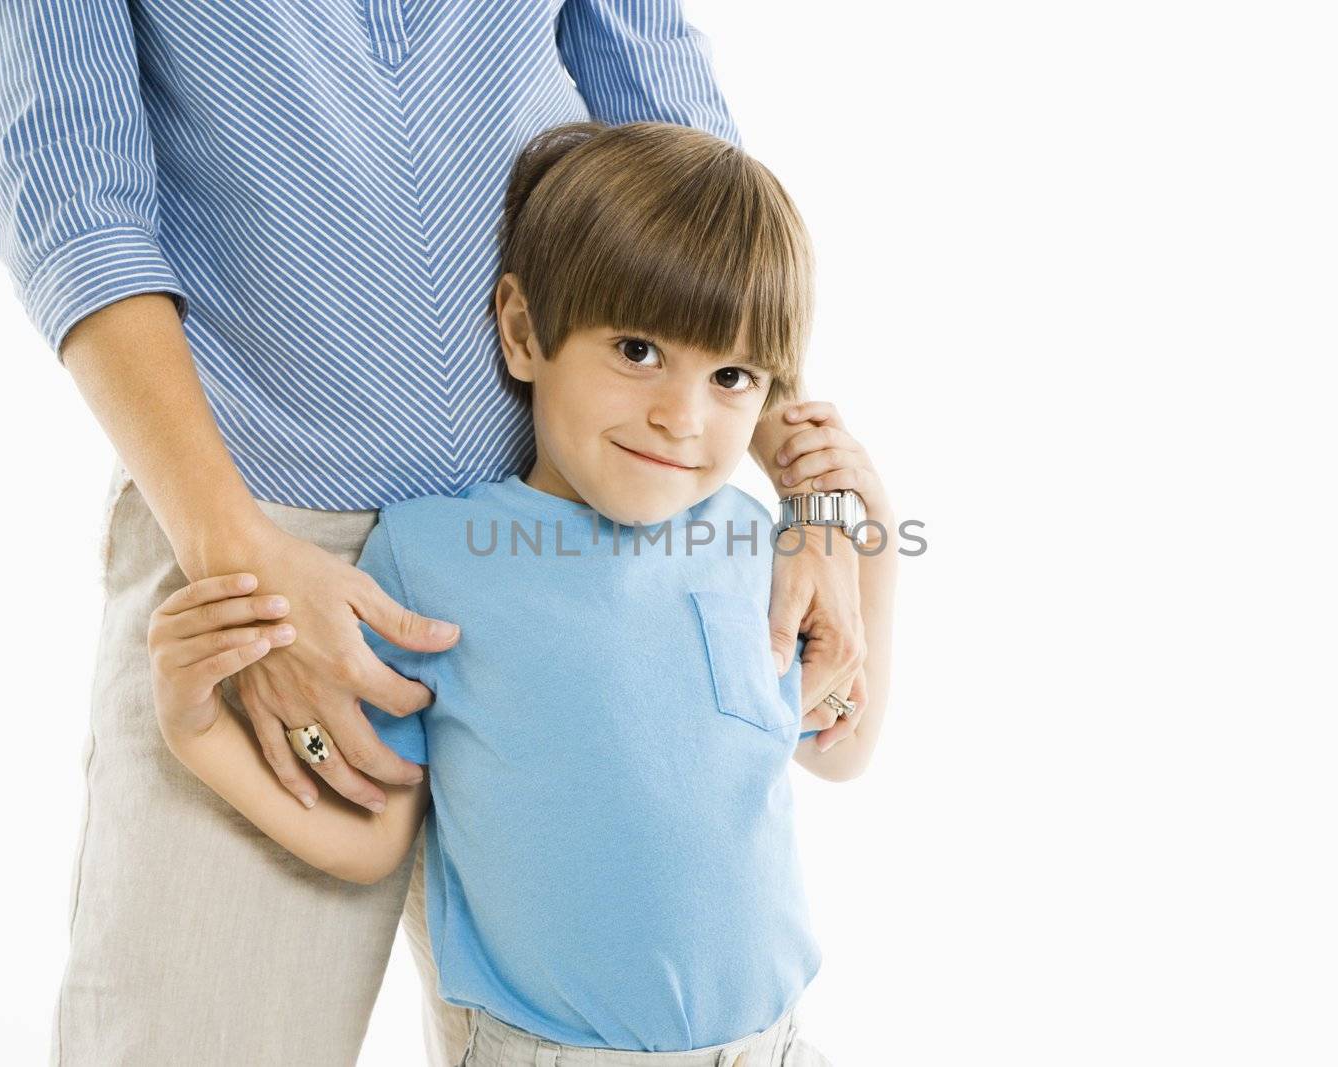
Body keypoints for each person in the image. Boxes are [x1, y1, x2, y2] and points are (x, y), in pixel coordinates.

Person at [0, 2, 868, 1063]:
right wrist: (230, 548)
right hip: (263, 539)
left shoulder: (715, 526)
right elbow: (70, 191)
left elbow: (664, 110)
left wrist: (810, 482)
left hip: (591, 514)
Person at [147, 120, 897, 1066]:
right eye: (635, 350)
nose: (681, 415)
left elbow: (842, 747)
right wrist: (196, 731)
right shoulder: (430, 555)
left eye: (732, 375)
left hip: (776, 1045)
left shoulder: (754, 542)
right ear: (522, 331)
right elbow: (374, 839)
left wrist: (874, 543)